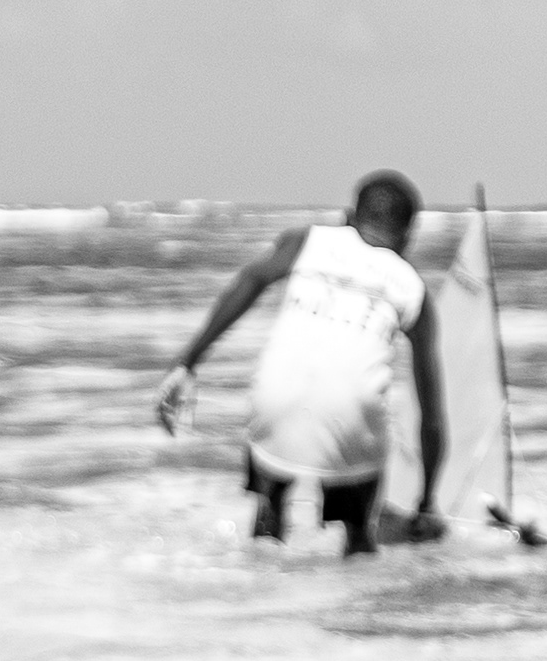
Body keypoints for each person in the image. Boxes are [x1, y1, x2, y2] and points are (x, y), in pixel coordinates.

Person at [152, 171, 446, 555]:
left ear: (348, 217)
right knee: (358, 533)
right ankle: (356, 591)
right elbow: (432, 411)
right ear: (408, 236)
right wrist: (426, 502)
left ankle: (262, 589)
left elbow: (248, 282)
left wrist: (186, 362)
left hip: (276, 395)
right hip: (352, 413)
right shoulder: (412, 288)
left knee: (269, 512)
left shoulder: (308, 241)